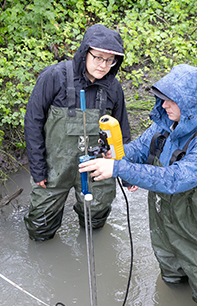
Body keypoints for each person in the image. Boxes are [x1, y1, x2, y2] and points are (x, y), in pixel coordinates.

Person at [79, 64, 197, 306]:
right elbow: (137, 150)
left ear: (189, 102)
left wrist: (120, 169)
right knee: (172, 281)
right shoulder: (163, 126)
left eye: (170, 101)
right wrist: (113, 156)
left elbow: (174, 179)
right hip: (164, 225)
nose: (163, 106)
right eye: (162, 99)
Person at [23, 24, 131, 242]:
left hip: (97, 168)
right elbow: (33, 122)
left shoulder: (113, 87)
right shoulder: (54, 76)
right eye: (98, 58)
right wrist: (38, 169)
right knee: (40, 227)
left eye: (110, 61)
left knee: (95, 221)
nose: (103, 65)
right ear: (85, 52)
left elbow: (122, 130)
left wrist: (126, 171)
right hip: (55, 167)